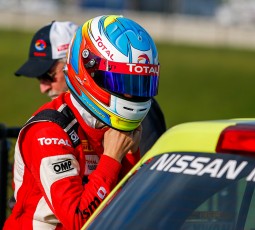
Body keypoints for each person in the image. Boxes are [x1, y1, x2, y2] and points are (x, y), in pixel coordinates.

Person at [4, 15, 161, 229]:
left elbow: (130, 209)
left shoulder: (114, 125)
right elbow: (78, 220)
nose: (131, 96)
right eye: (120, 82)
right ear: (88, 74)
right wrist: (112, 158)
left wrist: (130, 155)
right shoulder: (48, 130)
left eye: (138, 84)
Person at [14, 20, 166, 154]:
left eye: (48, 75)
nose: (43, 88)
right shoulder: (59, 120)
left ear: (75, 64)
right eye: (39, 78)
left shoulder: (131, 109)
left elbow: (144, 178)